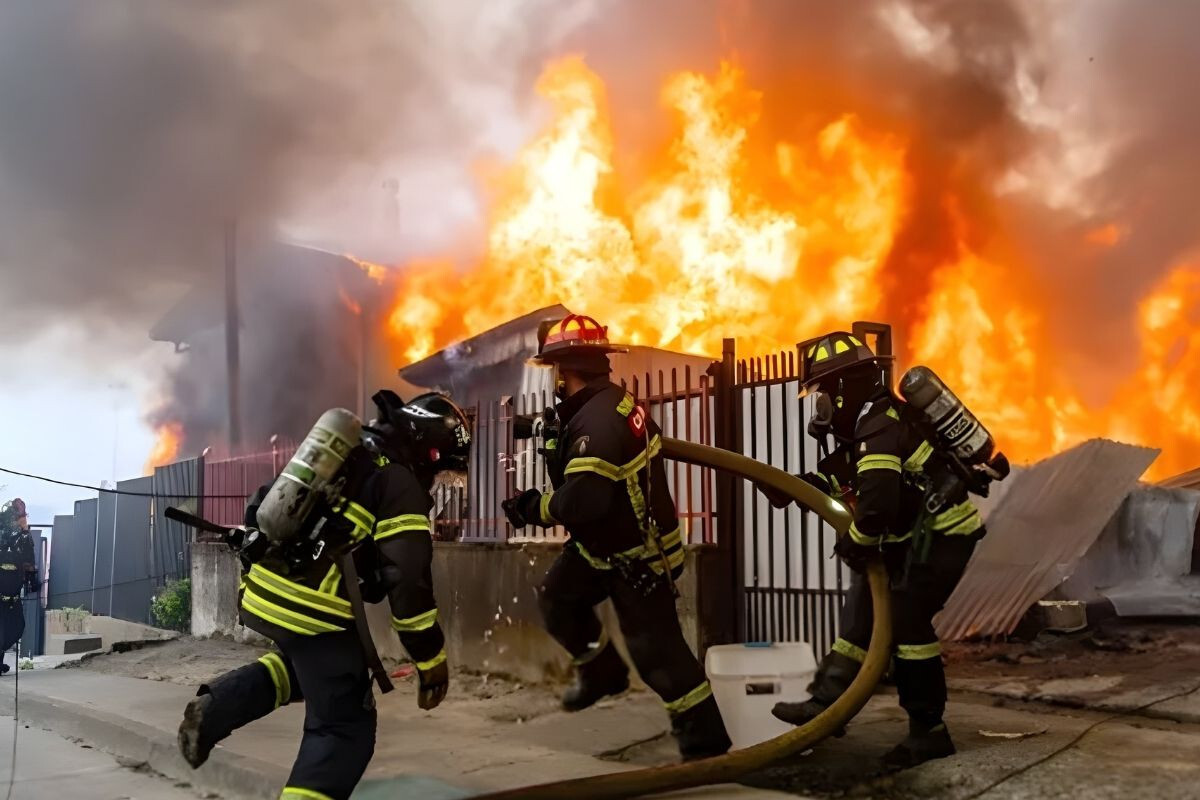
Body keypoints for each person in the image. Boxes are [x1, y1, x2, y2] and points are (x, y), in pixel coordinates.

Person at [177, 391, 471, 800]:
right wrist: (430, 659)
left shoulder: (347, 451)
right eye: (441, 470)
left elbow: (262, 502)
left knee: (314, 671)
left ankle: (216, 708)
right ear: (430, 452)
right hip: (313, 610)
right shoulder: (399, 482)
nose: (438, 480)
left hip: (262, 592)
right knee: (344, 728)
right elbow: (408, 582)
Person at [504, 314, 731, 761]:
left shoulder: (598, 422)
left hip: (637, 557)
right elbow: (575, 440)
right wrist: (537, 427)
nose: (553, 380)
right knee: (558, 599)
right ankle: (602, 672)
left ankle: (707, 751)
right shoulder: (604, 404)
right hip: (600, 547)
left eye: (554, 371)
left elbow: (583, 502)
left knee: (661, 660)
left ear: (564, 371)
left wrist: (532, 508)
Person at [770, 331, 985, 768]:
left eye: (823, 392)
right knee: (861, 612)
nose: (821, 404)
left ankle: (929, 732)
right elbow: (843, 477)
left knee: (907, 623)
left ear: (844, 388)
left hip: (943, 536)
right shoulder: (870, 424)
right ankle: (827, 706)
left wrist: (857, 541)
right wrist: (792, 488)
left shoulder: (880, 425)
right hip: (911, 539)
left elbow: (877, 504)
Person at [0, 499, 37, 674]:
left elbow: (29, 557)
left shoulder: (22, 538)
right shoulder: (4, 536)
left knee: (15, 629)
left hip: (13, 599)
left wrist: (24, 529)